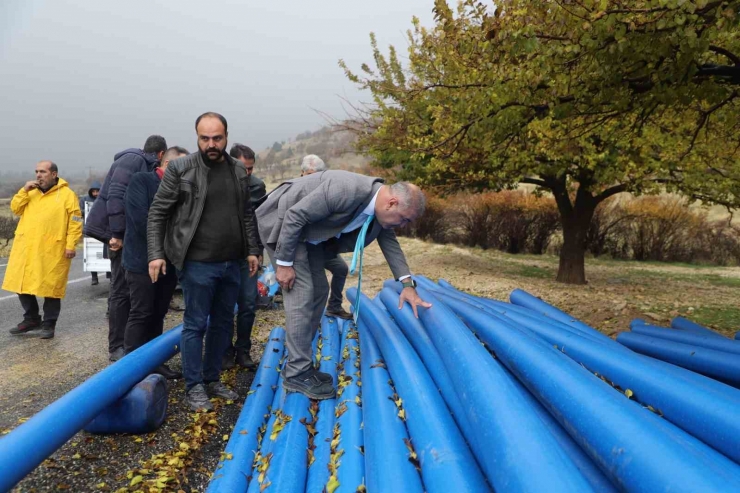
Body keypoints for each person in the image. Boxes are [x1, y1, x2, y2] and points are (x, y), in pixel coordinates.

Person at [256, 170, 431, 399]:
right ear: (392, 203)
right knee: (302, 293)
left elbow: (390, 245)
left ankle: (300, 362)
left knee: (320, 291)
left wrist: (408, 285)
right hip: (284, 226)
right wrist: (284, 264)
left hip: (309, 237)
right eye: (404, 219)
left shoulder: (378, 212)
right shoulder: (347, 189)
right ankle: (296, 374)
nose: (403, 225)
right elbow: (294, 216)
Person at [147, 113, 261, 411]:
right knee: (195, 324)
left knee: (223, 323)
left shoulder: (238, 170)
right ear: (197, 137)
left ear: (226, 136)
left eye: (217, 138)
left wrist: (252, 249)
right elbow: (158, 212)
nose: (211, 144)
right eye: (205, 138)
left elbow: (246, 213)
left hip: (232, 262)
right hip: (197, 264)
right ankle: (194, 385)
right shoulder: (182, 170)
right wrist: (156, 254)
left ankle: (212, 379)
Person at [85, 135, 168, 362]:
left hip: (126, 235)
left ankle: (135, 346)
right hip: (119, 236)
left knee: (132, 292)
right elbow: (116, 195)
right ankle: (117, 347)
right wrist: (117, 233)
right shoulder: (133, 160)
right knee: (121, 290)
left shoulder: (142, 163)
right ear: (161, 155)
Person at [123, 146, 189, 379]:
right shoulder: (142, 181)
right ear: (169, 165)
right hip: (142, 261)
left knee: (158, 312)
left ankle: (154, 362)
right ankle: (130, 366)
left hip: (169, 262)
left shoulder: (182, 189)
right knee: (141, 311)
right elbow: (143, 221)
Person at [3, 161, 83, 339]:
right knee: (21, 283)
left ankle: (49, 324)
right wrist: (23, 191)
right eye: (36, 171)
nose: (38, 175)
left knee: (51, 287)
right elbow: (15, 209)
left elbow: (75, 221)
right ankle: (31, 318)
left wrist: (71, 244)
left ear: (54, 174)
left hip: (53, 248)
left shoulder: (67, 195)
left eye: (43, 172)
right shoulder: (30, 192)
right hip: (27, 247)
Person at [222, 144, 266, 370]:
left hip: (248, 256)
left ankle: (243, 349)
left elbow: (260, 223)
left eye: (251, 169)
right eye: (244, 168)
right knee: (224, 306)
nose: (247, 174)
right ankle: (225, 350)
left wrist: (257, 252)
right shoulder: (218, 183)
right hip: (223, 255)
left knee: (248, 304)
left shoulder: (257, 187)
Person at [300, 155, 352, 320]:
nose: (313, 179)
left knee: (341, 269)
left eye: (317, 175)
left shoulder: (328, 191)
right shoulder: (297, 191)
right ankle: (307, 319)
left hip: (324, 248)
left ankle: (334, 307)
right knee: (318, 286)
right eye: (310, 174)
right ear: (302, 174)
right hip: (305, 249)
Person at [79, 180, 102, 285]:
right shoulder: (84, 200)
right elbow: (79, 212)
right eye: (94, 191)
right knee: (91, 255)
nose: (95, 194)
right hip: (90, 232)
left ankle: (111, 278)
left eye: (97, 191)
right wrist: (87, 210)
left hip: (103, 232)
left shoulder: (104, 200)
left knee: (106, 256)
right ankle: (94, 277)